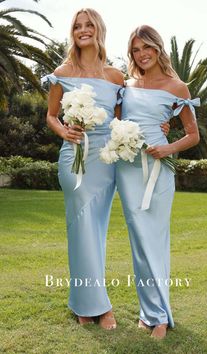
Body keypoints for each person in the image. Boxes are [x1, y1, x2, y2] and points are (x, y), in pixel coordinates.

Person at [116, 25, 200, 339]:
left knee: (155, 240)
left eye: (146, 48)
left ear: (157, 48)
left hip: (158, 170)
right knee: (138, 241)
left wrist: (167, 146)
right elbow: (116, 121)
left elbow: (193, 136)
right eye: (136, 50)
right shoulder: (126, 85)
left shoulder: (178, 87)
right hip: (127, 170)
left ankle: (160, 316)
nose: (142, 54)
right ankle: (148, 311)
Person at [43, 8, 124, 330]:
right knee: (81, 229)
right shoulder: (61, 72)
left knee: (97, 230)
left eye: (89, 25)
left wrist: (160, 122)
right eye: (78, 26)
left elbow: (124, 117)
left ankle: (88, 302)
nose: (83, 30)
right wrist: (63, 131)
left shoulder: (116, 77)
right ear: (73, 33)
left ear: (99, 30)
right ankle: (97, 307)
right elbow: (50, 115)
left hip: (105, 160)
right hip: (73, 157)